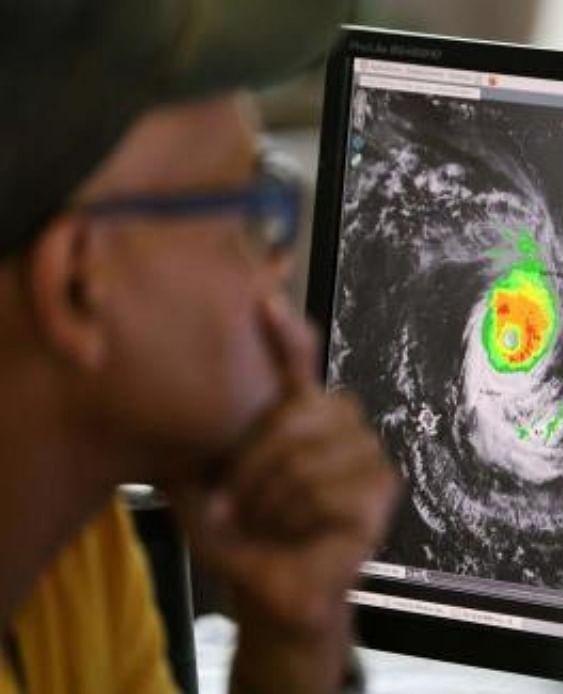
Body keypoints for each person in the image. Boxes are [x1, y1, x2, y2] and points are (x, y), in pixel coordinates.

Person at [0, 2, 400, 692]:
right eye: (251, 214)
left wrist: (294, 639)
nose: (278, 265)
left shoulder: (68, 559)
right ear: (74, 282)